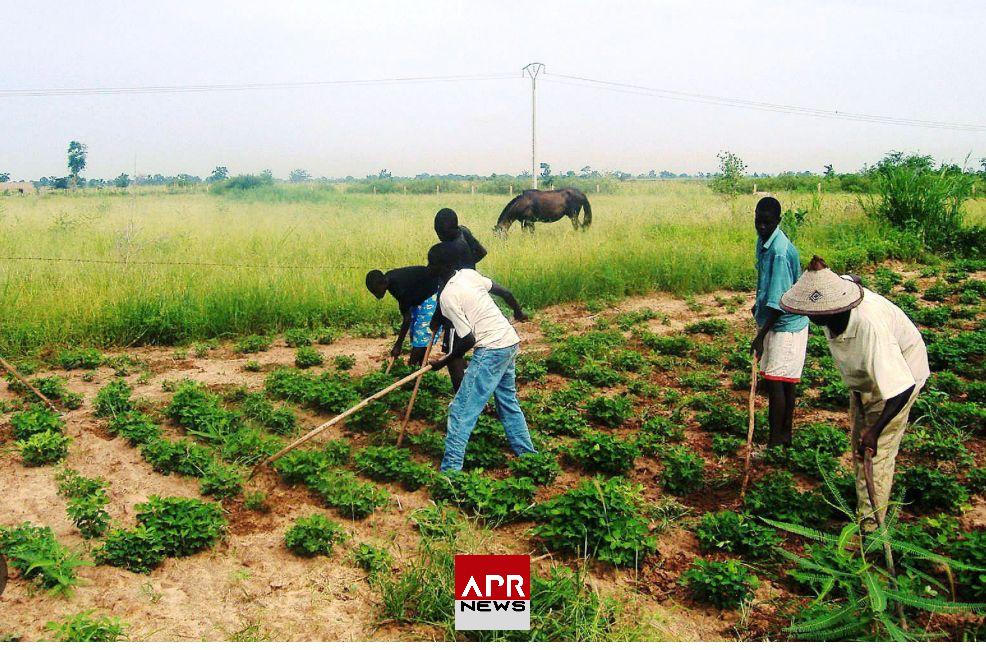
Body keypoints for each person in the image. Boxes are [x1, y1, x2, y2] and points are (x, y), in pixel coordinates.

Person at [780, 256, 929, 528]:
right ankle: (863, 508)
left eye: (818, 313)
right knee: (859, 449)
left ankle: (870, 532)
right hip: (865, 382)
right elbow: (853, 279)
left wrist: (874, 431)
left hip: (900, 378)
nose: (813, 318)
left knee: (875, 454)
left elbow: (902, 387)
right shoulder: (839, 292)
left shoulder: (870, 329)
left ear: (836, 308)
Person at [426, 246, 535, 472]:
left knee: (460, 411)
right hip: (509, 340)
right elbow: (504, 292)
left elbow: (467, 340)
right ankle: (529, 457)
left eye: (430, 264)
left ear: (437, 268)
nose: (428, 267)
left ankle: (450, 475)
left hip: (491, 350)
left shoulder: (447, 296)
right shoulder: (468, 274)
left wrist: (443, 361)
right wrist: (517, 312)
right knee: (508, 403)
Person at [749, 196, 810, 447]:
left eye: (767, 223)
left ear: (778, 220)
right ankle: (784, 438)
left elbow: (779, 303)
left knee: (777, 383)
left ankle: (776, 444)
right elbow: (768, 286)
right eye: (758, 221)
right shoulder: (764, 241)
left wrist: (760, 337)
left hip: (786, 327)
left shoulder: (780, 252)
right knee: (783, 382)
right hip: (778, 323)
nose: (761, 227)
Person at [364, 265, 442, 368]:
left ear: (382, 283)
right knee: (415, 334)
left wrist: (398, 344)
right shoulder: (389, 279)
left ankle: (412, 369)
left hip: (432, 294)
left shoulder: (399, 287)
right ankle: (419, 367)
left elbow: (407, 319)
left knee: (421, 335)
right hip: (419, 296)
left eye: (375, 291)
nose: (376, 296)